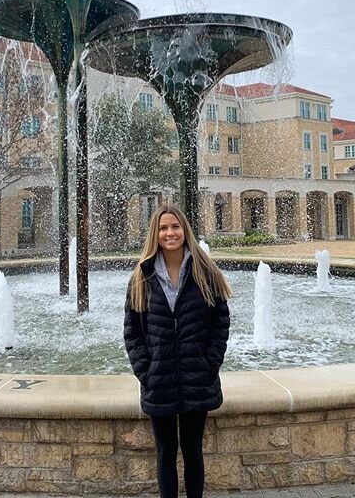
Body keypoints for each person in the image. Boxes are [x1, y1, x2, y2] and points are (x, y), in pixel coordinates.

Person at [124, 205, 231, 498]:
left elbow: (220, 324)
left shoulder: (205, 272)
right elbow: (132, 331)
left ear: (185, 230)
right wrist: (146, 372)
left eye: (175, 227)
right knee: (165, 452)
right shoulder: (141, 277)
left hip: (198, 378)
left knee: (193, 451)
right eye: (163, 228)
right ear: (155, 234)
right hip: (159, 381)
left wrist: (209, 365)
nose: (169, 233)